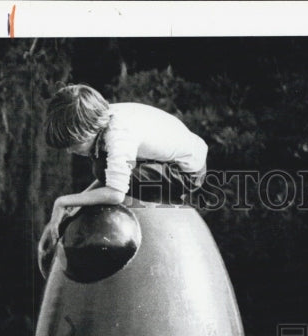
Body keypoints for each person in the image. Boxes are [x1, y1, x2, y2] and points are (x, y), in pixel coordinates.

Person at [40, 84, 208, 256]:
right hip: (178, 159)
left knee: (101, 166)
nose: (70, 150)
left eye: (74, 143)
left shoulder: (119, 134)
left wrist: (62, 202)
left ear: (89, 129)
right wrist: (75, 206)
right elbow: (110, 177)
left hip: (186, 174)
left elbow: (115, 193)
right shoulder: (100, 118)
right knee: (102, 166)